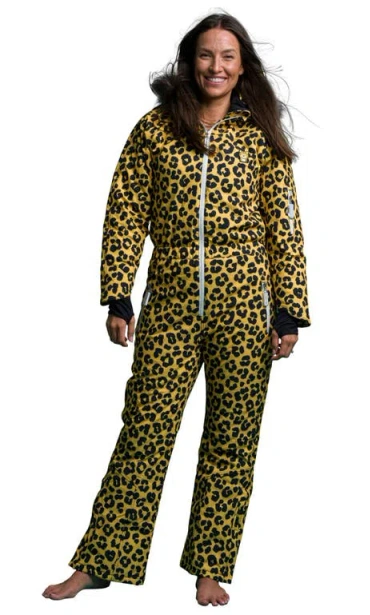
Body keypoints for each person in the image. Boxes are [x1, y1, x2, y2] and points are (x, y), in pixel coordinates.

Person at [42, 11, 311, 607]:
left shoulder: (259, 136)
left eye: (228, 57)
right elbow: (125, 212)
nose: (216, 66)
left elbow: (285, 226)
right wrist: (118, 293)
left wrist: (289, 311)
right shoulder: (156, 129)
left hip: (247, 308)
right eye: (206, 55)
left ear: (242, 67)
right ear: (191, 62)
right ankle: (101, 560)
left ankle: (211, 567)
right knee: (144, 431)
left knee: (231, 439)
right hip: (169, 305)